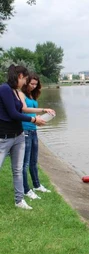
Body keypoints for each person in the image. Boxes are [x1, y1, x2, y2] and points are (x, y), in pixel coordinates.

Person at [0, 65, 45, 210]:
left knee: (17, 169)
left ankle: (19, 200)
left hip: (18, 135)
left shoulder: (14, 91)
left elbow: (22, 109)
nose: (25, 82)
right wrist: (33, 120)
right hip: (4, 137)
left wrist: (41, 112)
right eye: (25, 79)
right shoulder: (5, 89)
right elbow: (13, 114)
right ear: (20, 76)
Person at [21, 73, 56, 200]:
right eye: (31, 84)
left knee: (34, 161)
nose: (34, 86)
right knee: (24, 163)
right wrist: (43, 110)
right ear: (26, 82)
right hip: (24, 130)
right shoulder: (21, 94)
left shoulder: (32, 95)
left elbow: (34, 115)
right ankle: (25, 189)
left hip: (33, 129)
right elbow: (24, 110)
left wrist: (43, 119)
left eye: (36, 84)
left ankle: (36, 185)